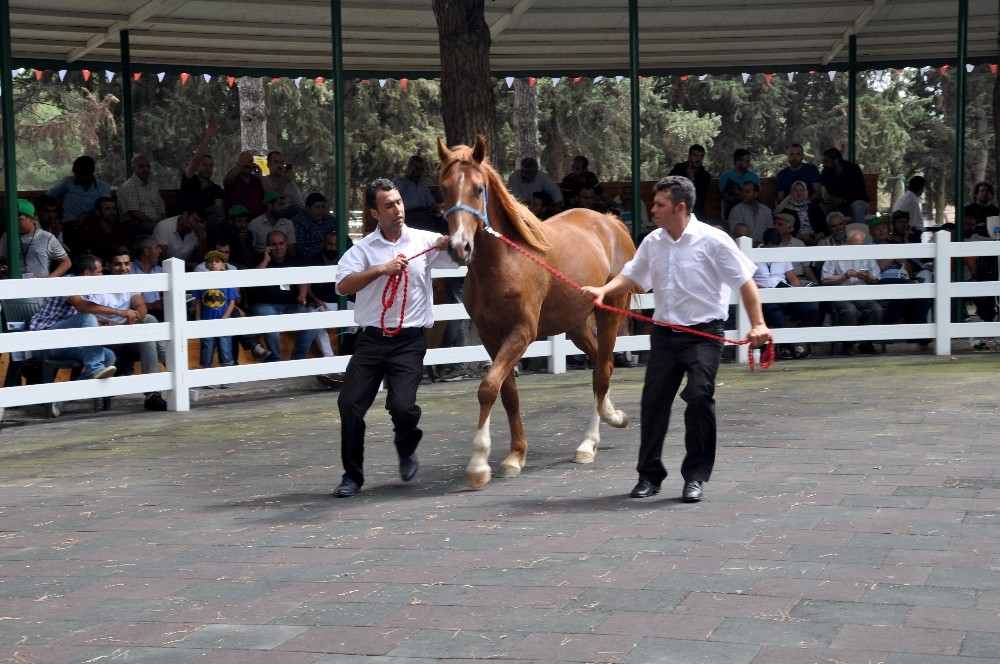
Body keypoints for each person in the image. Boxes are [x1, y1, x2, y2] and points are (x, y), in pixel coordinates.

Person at [580, 175, 770, 503]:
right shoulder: (653, 242)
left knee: (699, 397)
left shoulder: (714, 240)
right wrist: (603, 290)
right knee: (653, 403)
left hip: (704, 335)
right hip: (665, 335)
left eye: (659, 204)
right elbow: (631, 275)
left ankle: (695, 476)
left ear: (680, 207)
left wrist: (758, 325)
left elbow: (745, 282)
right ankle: (649, 476)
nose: (652, 209)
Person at [331, 178, 456, 498]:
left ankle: (406, 447)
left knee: (402, 407)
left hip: (409, 341)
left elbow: (462, 258)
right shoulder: (363, 249)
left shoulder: (424, 240)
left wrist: (452, 243)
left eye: (399, 202)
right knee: (349, 405)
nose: (398, 209)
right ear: (375, 213)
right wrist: (380, 270)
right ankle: (352, 476)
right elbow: (343, 286)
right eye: (389, 205)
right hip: (371, 340)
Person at [83, 247, 168, 411]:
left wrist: (123, 326)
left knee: (149, 320)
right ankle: (170, 370)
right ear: (108, 266)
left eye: (126, 263)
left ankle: (153, 393)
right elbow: (89, 317)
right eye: (117, 264)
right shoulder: (98, 284)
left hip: (127, 336)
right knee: (151, 329)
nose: (123, 268)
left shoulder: (131, 283)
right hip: (106, 342)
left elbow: (141, 307)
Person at [27, 254, 118, 382]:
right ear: (87, 273)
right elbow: (82, 307)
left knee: (109, 356)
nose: (102, 275)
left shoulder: (87, 291)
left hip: (64, 344)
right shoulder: (67, 282)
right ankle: (95, 368)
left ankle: (70, 394)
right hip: (43, 343)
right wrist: (120, 313)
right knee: (86, 317)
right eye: (99, 272)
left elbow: (74, 316)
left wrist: (99, 323)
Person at [247, 230, 317, 360]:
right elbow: (251, 281)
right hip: (265, 306)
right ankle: (276, 362)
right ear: (268, 246)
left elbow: (303, 280)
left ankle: (297, 360)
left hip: (290, 306)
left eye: (281, 243)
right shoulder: (257, 259)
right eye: (274, 244)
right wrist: (266, 260)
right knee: (272, 324)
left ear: (286, 245)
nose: (278, 247)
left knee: (313, 321)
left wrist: (302, 295)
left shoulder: (293, 261)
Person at [752, 228, 817, 360]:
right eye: (772, 248)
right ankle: (793, 347)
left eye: (777, 247)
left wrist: (803, 292)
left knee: (812, 312)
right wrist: (763, 288)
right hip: (764, 297)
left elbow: (792, 278)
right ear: (765, 243)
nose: (775, 251)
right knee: (777, 315)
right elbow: (748, 281)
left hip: (784, 294)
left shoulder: (782, 253)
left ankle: (787, 345)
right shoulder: (752, 255)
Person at [820, 229, 883, 356]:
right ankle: (847, 343)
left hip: (862, 294)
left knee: (877, 309)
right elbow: (825, 279)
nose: (859, 248)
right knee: (850, 310)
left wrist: (867, 276)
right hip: (841, 295)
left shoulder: (867, 254)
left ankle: (866, 343)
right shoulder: (836, 253)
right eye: (855, 245)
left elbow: (876, 279)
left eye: (861, 245)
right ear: (847, 242)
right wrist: (844, 276)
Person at [193, 250, 239, 380]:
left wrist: (225, 317)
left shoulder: (226, 281)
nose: (213, 264)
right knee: (207, 349)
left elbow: (232, 302)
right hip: (207, 321)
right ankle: (206, 377)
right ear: (206, 265)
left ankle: (226, 377)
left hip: (223, 322)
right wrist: (198, 319)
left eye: (217, 261)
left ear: (223, 265)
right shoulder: (202, 282)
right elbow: (198, 302)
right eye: (210, 261)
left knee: (225, 348)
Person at [0, 199, 71, 279]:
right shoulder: (7, 236)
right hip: (15, 283)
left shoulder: (46, 237)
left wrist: (50, 278)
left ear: (31, 218)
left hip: (39, 284)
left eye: (18, 220)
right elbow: (1, 260)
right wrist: (3, 268)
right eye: (11, 219)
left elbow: (66, 262)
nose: (14, 223)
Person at [180, 122, 226, 228]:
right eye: (205, 165)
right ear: (198, 166)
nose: (208, 168)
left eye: (211, 166)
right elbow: (195, 161)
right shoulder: (190, 179)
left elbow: (218, 207)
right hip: (188, 218)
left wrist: (223, 215)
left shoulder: (215, 188)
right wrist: (208, 137)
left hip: (209, 222)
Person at [46, 155, 111, 228]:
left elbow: (105, 208)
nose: (76, 178)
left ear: (89, 175)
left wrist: (87, 215)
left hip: (92, 225)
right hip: (68, 224)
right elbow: (49, 195)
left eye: (80, 176)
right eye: (75, 175)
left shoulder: (103, 187)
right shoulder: (68, 181)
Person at [115, 154, 166, 238]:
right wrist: (157, 225)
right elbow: (136, 213)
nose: (146, 169)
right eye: (141, 166)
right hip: (135, 224)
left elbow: (162, 209)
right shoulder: (128, 186)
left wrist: (165, 224)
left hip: (155, 223)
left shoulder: (152, 186)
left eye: (147, 166)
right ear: (133, 169)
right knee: (158, 230)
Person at [392, 155, 446, 233]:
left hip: (425, 213)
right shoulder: (400, 182)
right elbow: (392, 198)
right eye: (417, 169)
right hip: (408, 214)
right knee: (427, 222)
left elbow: (431, 203)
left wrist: (434, 208)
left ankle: (446, 239)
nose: (419, 172)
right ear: (410, 167)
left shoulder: (422, 186)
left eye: (421, 170)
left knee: (444, 220)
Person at [820, 147, 871, 224]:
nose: (824, 164)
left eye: (826, 161)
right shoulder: (826, 172)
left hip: (853, 203)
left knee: (857, 205)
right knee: (820, 206)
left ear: (836, 161)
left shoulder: (852, 169)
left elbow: (860, 194)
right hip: (837, 206)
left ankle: (859, 229)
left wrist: (843, 201)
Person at [773, 180, 828, 245]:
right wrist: (799, 236)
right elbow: (783, 229)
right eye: (796, 191)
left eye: (802, 190)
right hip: (796, 241)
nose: (799, 193)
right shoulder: (787, 210)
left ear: (806, 192)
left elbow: (826, 225)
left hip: (817, 240)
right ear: (791, 193)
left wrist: (821, 234)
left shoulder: (814, 207)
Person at [77, 197, 129, 265]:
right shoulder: (89, 230)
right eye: (108, 209)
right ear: (98, 213)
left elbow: (125, 252)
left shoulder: (120, 229)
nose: (112, 212)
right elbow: (87, 256)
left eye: (114, 208)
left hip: (117, 265)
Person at [291, 192, 338, 265]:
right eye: (317, 207)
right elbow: (300, 251)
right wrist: (324, 247)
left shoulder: (330, 220)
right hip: (311, 264)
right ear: (308, 209)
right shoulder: (299, 223)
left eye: (323, 207)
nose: (321, 210)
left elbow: (346, 241)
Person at [667, 144, 711, 219]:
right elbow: (669, 186)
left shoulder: (705, 176)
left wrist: (692, 179)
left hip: (696, 210)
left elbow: (698, 197)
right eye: (695, 155)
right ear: (689, 156)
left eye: (701, 156)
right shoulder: (679, 169)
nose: (698, 159)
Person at [248, 191, 297, 256]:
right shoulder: (254, 224)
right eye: (280, 204)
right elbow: (251, 251)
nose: (284, 208)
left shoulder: (288, 223)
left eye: (284, 204)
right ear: (269, 206)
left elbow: (291, 250)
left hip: (282, 259)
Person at [718, 148, 759, 220]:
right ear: (737, 162)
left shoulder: (754, 176)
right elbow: (726, 197)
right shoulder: (725, 177)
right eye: (747, 162)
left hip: (751, 207)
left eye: (749, 161)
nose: (749, 164)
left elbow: (757, 195)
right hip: (733, 208)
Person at [223, 150, 266, 218]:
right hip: (239, 219)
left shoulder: (257, 180)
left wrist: (260, 176)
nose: (247, 163)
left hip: (258, 218)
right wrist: (241, 164)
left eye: (250, 161)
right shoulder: (233, 179)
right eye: (244, 160)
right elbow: (226, 180)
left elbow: (268, 195)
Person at [727, 181, 772, 245]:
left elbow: (770, 233)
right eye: (742, 191)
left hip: (764, 247)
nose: (744, 194)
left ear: (756, 194)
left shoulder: (766, 210)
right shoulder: (736, 211)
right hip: (744, 246)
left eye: (747, 192)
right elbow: (735, 235)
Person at [262, 150, 305, 217]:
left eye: (282, 162)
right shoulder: (264, 180)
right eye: (276, 162)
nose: (280, 165)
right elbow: (272, 201)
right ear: (268, 165)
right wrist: (284, 181)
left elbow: (299, 204)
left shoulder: (290, 182)